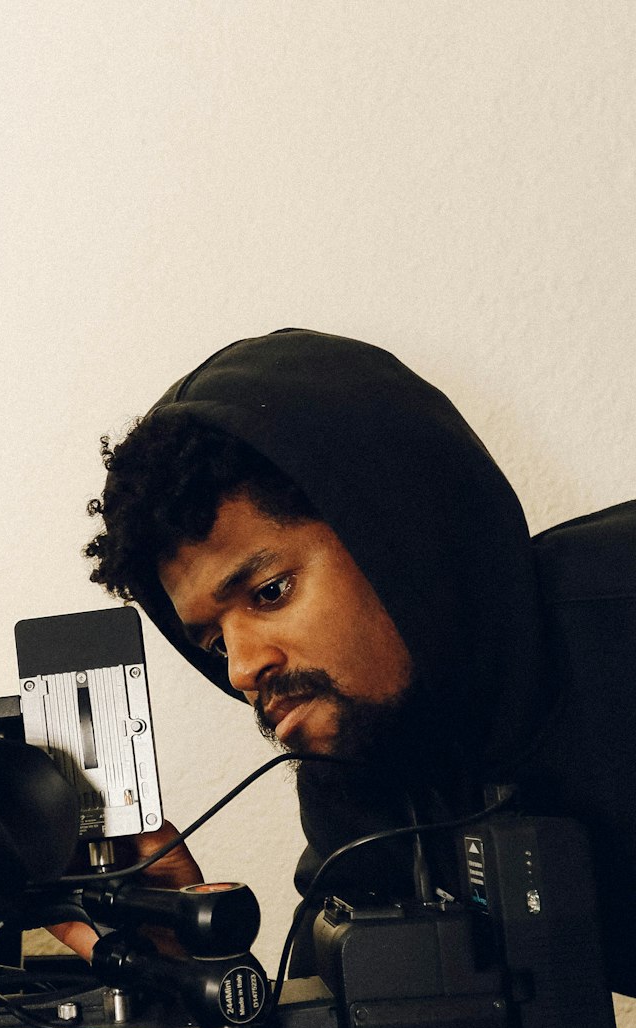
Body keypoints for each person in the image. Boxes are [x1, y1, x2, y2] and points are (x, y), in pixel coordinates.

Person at [59, 328, 636, 992]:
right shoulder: (360, 772)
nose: (243, 668)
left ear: (403, 532)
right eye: (215, 644)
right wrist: (180, 962)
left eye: (271, 592)